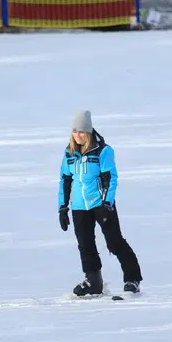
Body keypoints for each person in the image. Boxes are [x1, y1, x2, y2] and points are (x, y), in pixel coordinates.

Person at [58, 110, 142, 297]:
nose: (77, 135)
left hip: (100, 204)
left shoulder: (103, 151)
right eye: (74, 131)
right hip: (79, 206)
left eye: (81, 131)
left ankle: (132, 278)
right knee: (85, 244)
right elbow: (65, 180)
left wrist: (107, 202)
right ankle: (93, 281)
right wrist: (63, 207)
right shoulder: (69, 153)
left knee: (114, 242)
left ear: (88, 132)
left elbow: (110, 178)